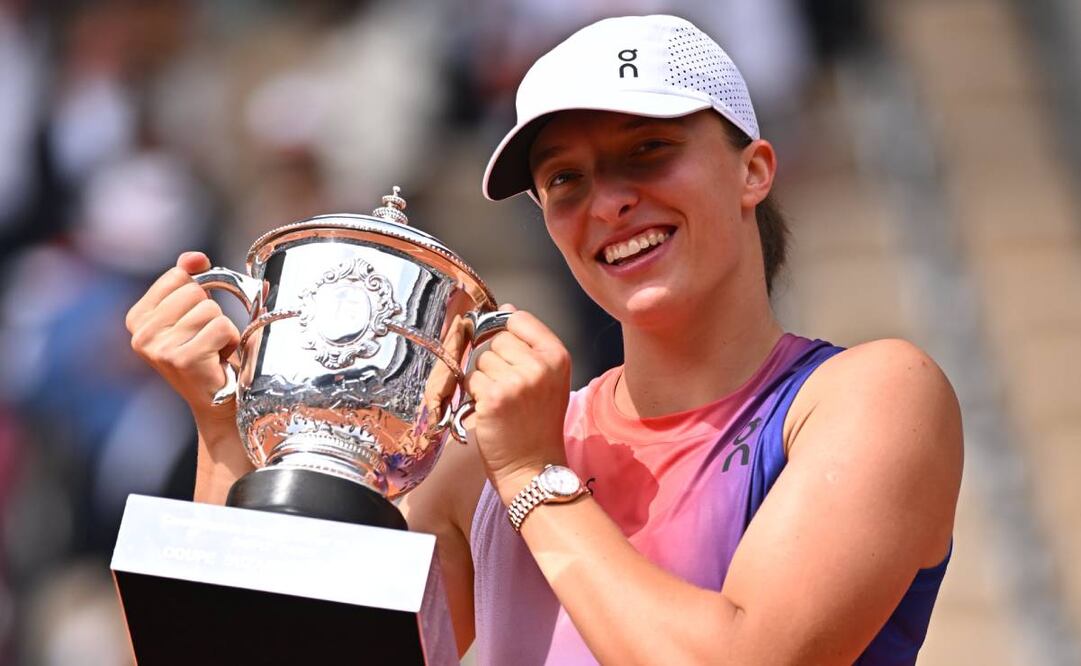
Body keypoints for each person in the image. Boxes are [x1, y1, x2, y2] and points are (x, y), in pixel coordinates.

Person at [126, 14, 963, 665]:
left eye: (649, 151)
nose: (607, 203)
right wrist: (224, 430)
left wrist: (533, 476)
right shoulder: (473, 462)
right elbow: (263, 651)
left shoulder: (871, 395)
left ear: (753, 169)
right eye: (565, 179)